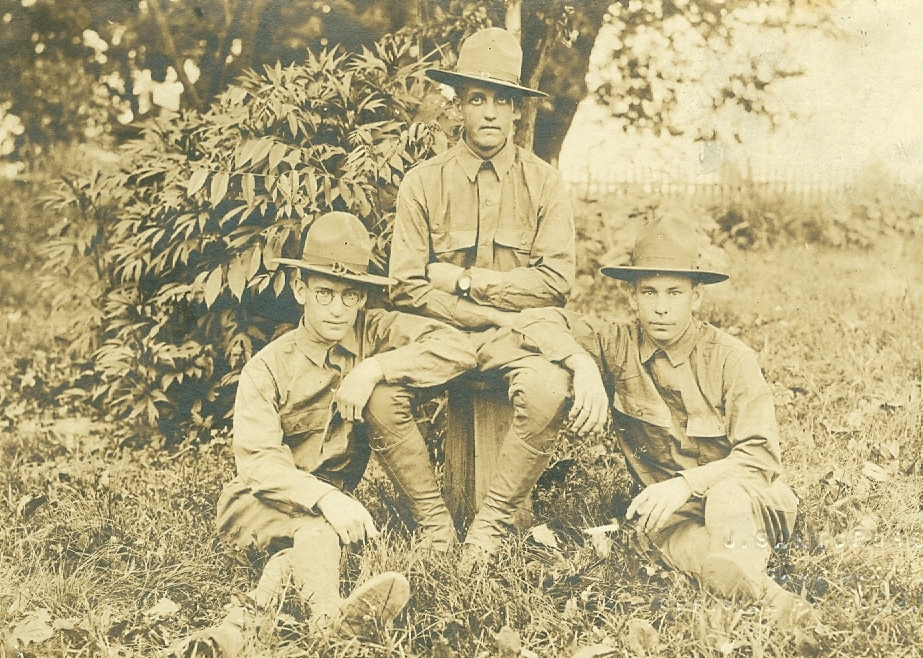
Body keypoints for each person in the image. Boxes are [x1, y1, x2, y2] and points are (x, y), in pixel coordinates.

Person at [490, 216, 815, 626]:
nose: (661, 306)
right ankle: (768, 598)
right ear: (632, 297)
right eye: (650, 292)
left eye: (675, 292)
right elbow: (534, 319)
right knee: (657, 532)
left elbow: (761, 458)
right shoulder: (616, 343)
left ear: (696, 297)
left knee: (726, 498)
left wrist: (685, 485)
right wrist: (582, 365)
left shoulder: (731, 358)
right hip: (671, 515)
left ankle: (741, 580)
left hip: (749, 499)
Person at [178, 212, 477, 655]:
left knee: (298, 556)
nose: (338, 309)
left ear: (362, 299)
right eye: (324, 293)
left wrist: (374, 368)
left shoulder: (373, 334)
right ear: (300, 290)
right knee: (317, 532)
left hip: (323, 518)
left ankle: (233, 634)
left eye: (350, 295)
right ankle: (329, 624)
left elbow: (458, 348)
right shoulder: (267, 368)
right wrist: (329, 499)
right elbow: (259, 464)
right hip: (256, 503)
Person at [386, 27, 577, 564]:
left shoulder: (544, 183)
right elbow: (405, 283)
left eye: (502, 100)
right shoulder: (423, 183)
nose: (490, 113)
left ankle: (490, 526)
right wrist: (475, 314)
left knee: (547, 390)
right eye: (476, 99)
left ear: (518, 111)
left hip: (517, 341)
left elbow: (558, 281)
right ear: (458, 107)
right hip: (442, 338)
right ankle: (434, 525)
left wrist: (469, 281)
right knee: (380, 393)